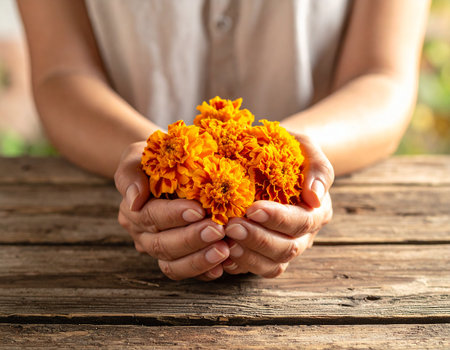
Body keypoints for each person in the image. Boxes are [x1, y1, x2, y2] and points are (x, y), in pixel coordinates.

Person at [18, 0, 429, 281]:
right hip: (105, 210)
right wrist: (156, 160)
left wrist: (293, 158)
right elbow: (60, 74)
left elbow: (382, 78)